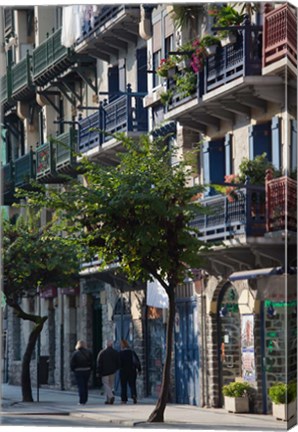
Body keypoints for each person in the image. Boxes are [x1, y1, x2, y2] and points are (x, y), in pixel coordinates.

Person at [96, 340, 120, 405]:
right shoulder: (115, 352)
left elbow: (99, 363)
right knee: (110, 385)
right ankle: (108, 400)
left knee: (106, 384)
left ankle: (111, 396)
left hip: (104, 372)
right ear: (112, 345)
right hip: (112, 371)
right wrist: (115, 368)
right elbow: (118, 362)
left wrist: (98, 371)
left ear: (106, 345)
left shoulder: (102, 353)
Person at [70, 340, 93, 405]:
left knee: (81, 385)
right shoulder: (89, 352)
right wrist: (90, 368)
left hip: (78, 370)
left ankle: (81, 400)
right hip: (87, 370)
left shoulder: (75, 353)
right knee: (85, 385)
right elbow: (92, 362)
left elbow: (72, 363)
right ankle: (85, 399)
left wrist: (74, 369)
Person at [119, 339, 141, 404]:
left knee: (123, 386)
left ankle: (124, 399)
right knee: (132, 385)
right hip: (132, 371)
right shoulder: (132, 352)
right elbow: (137, 361)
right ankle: (134, 395)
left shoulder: (120, 353)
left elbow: (119, 363)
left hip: (123, 371)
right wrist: (139, 369)